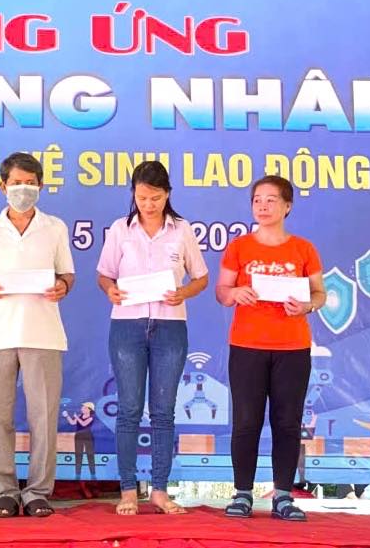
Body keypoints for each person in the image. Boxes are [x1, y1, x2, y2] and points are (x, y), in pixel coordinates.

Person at [97, 160, 208, 516]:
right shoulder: (120, 229)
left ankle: (160, 490)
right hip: (127, 326)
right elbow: (104, 275)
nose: (149, 204)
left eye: (156, 197)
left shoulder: (182, 230)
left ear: (167, 195)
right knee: (129, 409)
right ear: (134, 194)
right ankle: (128, 490)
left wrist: (184, 293)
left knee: (163, 411)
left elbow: (201, 277)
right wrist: (110, 290)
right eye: (143, 197)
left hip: (170, 326)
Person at [0, 152, 74, 518]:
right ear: (2, 186)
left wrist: (62, 285)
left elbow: (67, 275)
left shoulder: (55, 227)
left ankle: (39, 491)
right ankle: (5, 490)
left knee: (43, 417)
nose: (23, 190)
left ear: (41, 186)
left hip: (43, 333)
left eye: (30, 183)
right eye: (15, 183)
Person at [215, 175, 326, 522]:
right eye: (257, 200)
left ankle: (283, 495)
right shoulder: (240, 247)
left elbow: (319, 294)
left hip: (292, 347)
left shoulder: (303, 248)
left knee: (287, 422)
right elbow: (221, 290)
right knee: (246, 421)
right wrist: (235, 294)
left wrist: (306, 305)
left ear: (287, 206)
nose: (262, 206)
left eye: (271, 200)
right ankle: (242, 493)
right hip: (247, 346)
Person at [61, 402, 97, 482]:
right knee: (78, 455)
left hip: (88, 436)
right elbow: (72, 423)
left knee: (90, 455)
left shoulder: (91, 417)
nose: (82, 409)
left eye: (84, 407)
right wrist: (67, 416)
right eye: (82, 407)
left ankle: (93, 474)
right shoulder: (80, 416)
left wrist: (76, 417)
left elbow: (84, 424)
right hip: (78, 436)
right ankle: (77, 475)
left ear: (89, 409)